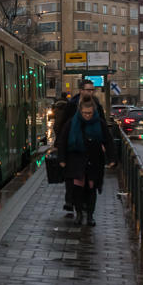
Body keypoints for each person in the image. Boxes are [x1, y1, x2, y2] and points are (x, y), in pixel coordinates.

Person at [55, 96, 114, 226]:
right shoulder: (72, 123)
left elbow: (108, 141)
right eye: (85, 113)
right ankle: (79, 214)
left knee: (91, 188)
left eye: (90, 113)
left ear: (94, 112)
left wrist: (111, 159)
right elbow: (62, 141)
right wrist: (62, 159)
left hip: (94, 160)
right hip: (76, 160)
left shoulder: (99, 123)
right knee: (78, 188)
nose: (87, 116)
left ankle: (90, 216)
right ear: (80, 111)